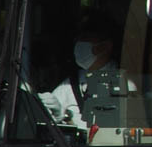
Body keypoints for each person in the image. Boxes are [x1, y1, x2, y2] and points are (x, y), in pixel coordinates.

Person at [41, 12, 133, 140]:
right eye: (78, 38)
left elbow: (118, 131)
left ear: (105, 46)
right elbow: (46, 120)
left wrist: (67, 116)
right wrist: (54, 115)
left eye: (86, 38)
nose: (79, 43)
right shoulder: (69, 84)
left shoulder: (125, 84)